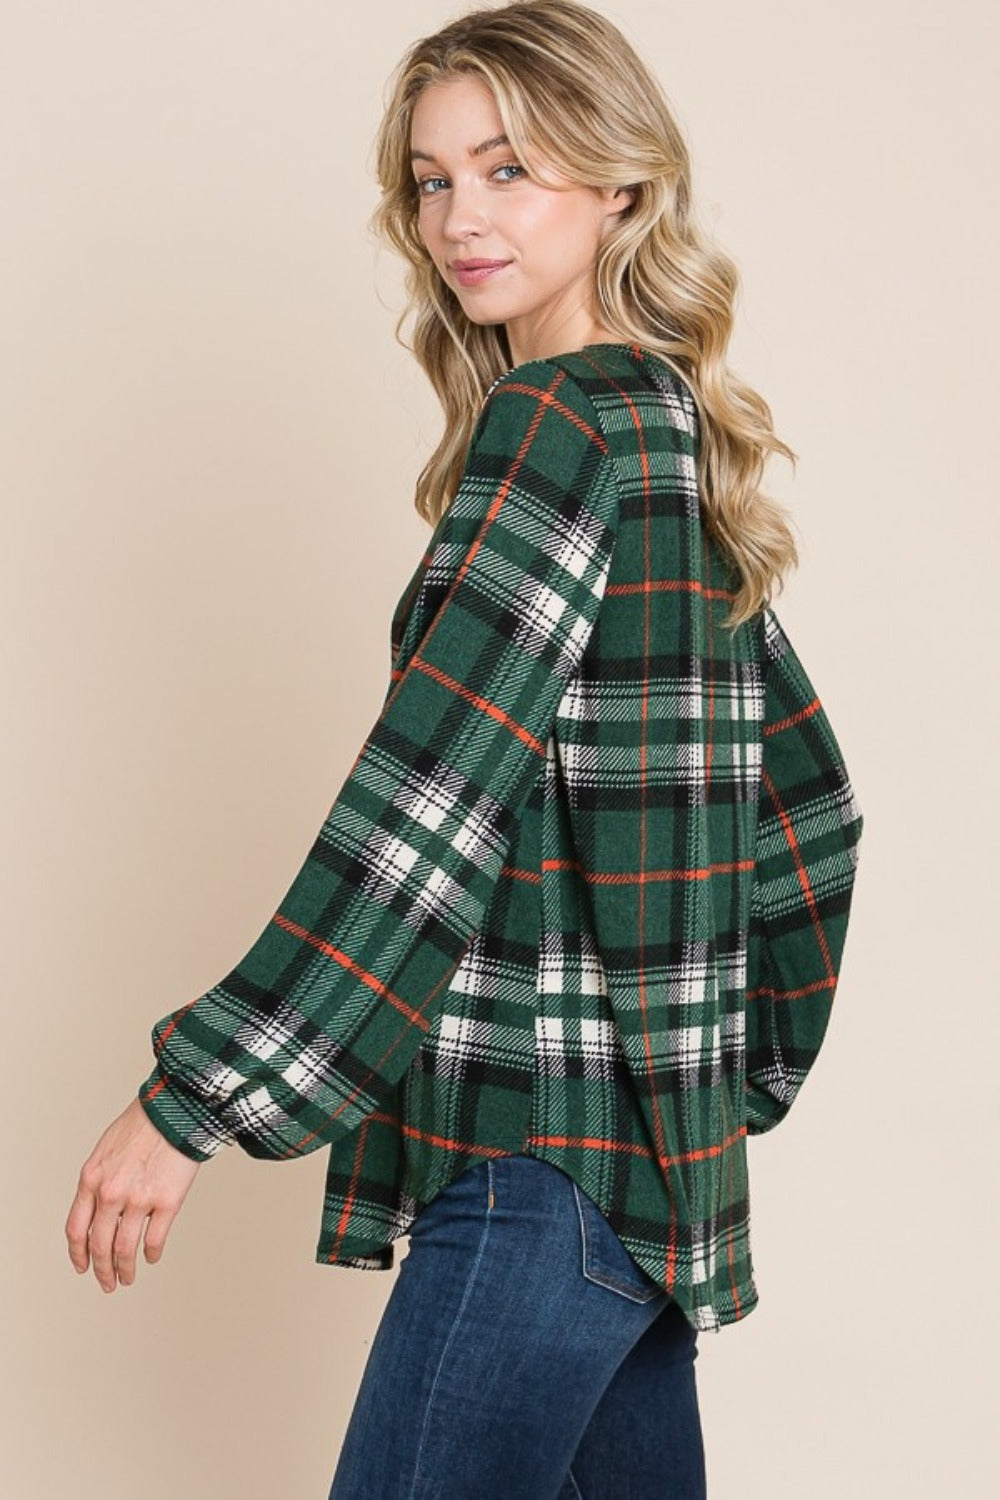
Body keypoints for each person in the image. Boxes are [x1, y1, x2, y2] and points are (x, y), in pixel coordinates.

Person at [65, 2, 865, 1495]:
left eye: (508, 169)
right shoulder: (664, 429)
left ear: (620, 183)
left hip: (532, 1164)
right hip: (638, 1182)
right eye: (432, 181)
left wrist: (194, 1102)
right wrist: (712, 1078)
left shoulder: (563, 426)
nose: (458, 220)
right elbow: (810, 812)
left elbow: (426, 809)